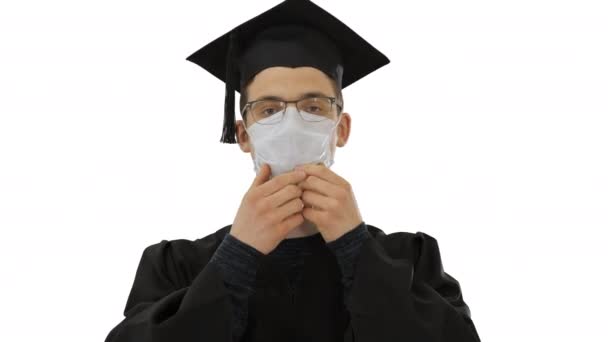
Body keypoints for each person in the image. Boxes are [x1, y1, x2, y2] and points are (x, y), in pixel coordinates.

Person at [104, 0, 482, 341]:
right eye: (268, 110)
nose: (291, 124)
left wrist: (356, 247)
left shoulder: (409, 259)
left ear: (342, 128)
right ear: (243, 135)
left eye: (314, 107)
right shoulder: (177, 267)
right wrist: (237, 255)